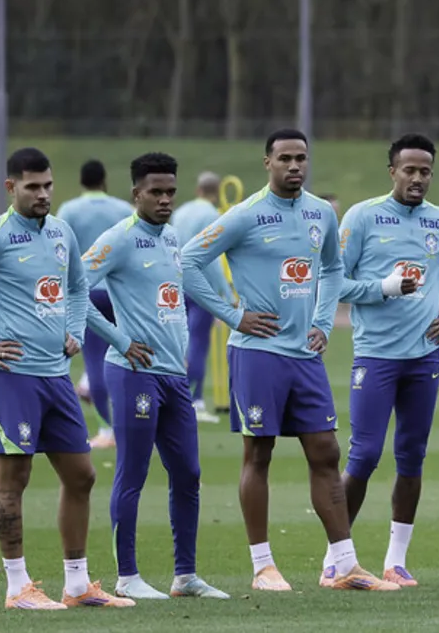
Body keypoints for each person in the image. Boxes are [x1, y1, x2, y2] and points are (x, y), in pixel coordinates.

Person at [180, 128, 396, 592]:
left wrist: (321, 320)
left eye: (301, 158)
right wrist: (234, 315)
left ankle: (344, 565)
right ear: (267, 163)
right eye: (285, 158)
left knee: (326, 451)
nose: (294, 166)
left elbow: (334, 268)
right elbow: (188, 260)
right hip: (257, 354)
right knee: (259, 453)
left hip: (304, 355)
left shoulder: (321, 212)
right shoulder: (245, 215)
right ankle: (263, 567)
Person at [0, 147, 134, 609]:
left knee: (81, 475)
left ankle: (77, 585)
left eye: (47, 186)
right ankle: (18, 586)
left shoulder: (61, 232)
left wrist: (75, 330)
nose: (42, 194)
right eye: (32, 187)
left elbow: (79, 286)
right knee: (14, 478)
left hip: (56, 376)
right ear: (11, 188)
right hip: (11, 376)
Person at [327, 133, 439, 587]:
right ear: (392, 171)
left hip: (424, 359)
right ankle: (336, 558)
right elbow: (334, 283)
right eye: (410, 170)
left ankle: (396, 560)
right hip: (375, 356)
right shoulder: (362, 217)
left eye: (426, 171)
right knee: (363, 455)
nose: (418, 178)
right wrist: (383, 288)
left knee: (412, 458)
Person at [82, 152, 230, 600]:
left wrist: (235, 316)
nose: (165, 199)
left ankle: (185, 576)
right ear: (136, 194)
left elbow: (190, 286)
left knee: (188, 473)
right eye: (156, 192)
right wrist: (119, 339)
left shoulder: (172, 237)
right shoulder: (119, 239)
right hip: (133, 373)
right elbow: (75, 288)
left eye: (170, 191)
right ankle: (127, 577)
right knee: (133, 473)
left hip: (172, 378)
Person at [57, 160, 134, 449]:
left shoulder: (69, 210)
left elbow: (61, 254)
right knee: (126, 358)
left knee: (95, 361)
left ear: (81, 181)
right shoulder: (122, 209)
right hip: (119, 292)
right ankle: (134, 422)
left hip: (86, 292)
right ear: (104, 181)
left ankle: (107, 429)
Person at [168, 171, 235, 423]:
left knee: (182, 341)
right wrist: (227, 294)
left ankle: (193, 399)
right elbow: (213, 258)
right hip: (201, 286)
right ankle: (187, 399)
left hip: (176, 284)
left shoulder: (181, 212)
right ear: (217, 193)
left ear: (197, 190)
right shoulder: (212, 215)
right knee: (198, 343)